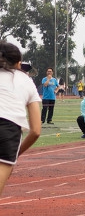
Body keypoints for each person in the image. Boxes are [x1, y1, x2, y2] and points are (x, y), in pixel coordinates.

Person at [0, 42, 41, 197]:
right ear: (19, 63)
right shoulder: (26, 81)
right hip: (7, 132)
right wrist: (16, 153)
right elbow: (36, 131)